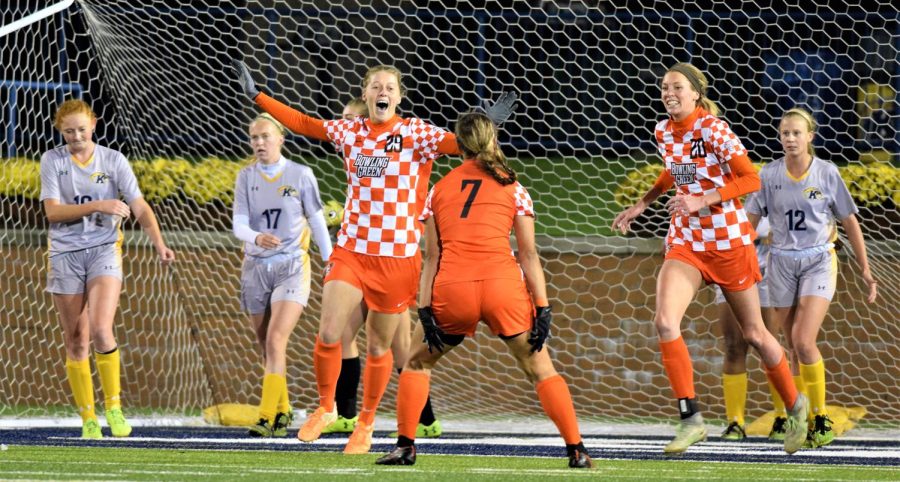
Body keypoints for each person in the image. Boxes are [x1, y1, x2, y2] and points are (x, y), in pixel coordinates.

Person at [230, 60, 515, 454]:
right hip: (352, 250)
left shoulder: (417, 133)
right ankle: (326, 407)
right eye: (376, 86)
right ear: (365, 95)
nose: (383, 92)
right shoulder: (350, 130)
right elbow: (302, 122)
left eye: (390, 87)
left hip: (398, 257)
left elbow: (464, 145)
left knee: (379, 348)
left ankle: (365, 424)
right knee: (329, 333)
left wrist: (486, 122)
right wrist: (257, 96)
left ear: (399, 96)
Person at [375, 111, 592, 468]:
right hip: (502, 289)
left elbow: (431, 257)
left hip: (453, 290)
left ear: (457, 146)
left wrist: (425, 310)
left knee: (415, 363)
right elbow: (528, 254)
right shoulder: (513, 186)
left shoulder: (439, 189)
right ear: (493, 141)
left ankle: (405, 447)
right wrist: (543, 307)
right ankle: (577, 450)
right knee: (541, 369)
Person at [611, 62, 808, 455]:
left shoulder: (713, 129)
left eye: (677, 87)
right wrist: (642, 203)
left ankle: (796, 405)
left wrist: (702, 199)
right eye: (665, 87)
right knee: (665, 321)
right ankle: (691, 419)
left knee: (754, 335)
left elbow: (750, 178)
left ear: (696, 93)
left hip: (729, 241)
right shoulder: (663, 131)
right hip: (686, 241)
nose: (669, 93)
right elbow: (674, 172)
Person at [39, 99, 176, 439]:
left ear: (94, 125)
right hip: (65, 255)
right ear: (60, 131)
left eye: (82, 129)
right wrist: (99, 205)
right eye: (69, 131)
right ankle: (88, 418)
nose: (76, 136)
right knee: (75, 339)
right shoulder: (52, 161)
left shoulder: (113, 160)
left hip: (103, 251)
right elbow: (53, 213)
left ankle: (114, 409)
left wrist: (158, 242)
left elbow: (139, 204)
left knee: (101, 329)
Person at [746, 107, 878, 448]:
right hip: (780, 263)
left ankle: (820, 419)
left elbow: (850, 222)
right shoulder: (768, 175)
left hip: (819, 260)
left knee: (804, 341)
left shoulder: (826, 173)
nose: (790, 138)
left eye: (796, 133)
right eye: (785, 133)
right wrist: (734, 258)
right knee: (786, 345)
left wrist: (865, 268)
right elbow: (748, 223)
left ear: (810, 137)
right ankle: (794, 416)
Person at [323, 99, 441, 438]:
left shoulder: (392, 152)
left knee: (400, 349)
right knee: (344, 335)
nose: (342, 126)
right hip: (362, 259)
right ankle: (346, 413)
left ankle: (425, 419)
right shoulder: (359, 162)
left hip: (393, 262)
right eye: (340, 119)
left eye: (349, 119)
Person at [232, 113, 333, 437]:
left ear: (281, 139)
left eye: (265, 136)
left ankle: (265, 418)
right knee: (266, 346)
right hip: (255, 266)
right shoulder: (246, 177)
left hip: (291, 265)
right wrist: (255, 237)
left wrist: (330, 261)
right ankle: (284, 409)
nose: (259, 143)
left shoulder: (301, 174)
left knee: (276, 339)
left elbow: (317, 221)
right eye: (254, 138)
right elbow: (239, 224)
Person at [716, 216, 791, 441]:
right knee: (732, 346)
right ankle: (735, 422)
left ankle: (782, 417)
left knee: (768, 343)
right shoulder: (720, 190)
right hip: (731, 268)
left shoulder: (774, 189)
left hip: (769, 273)